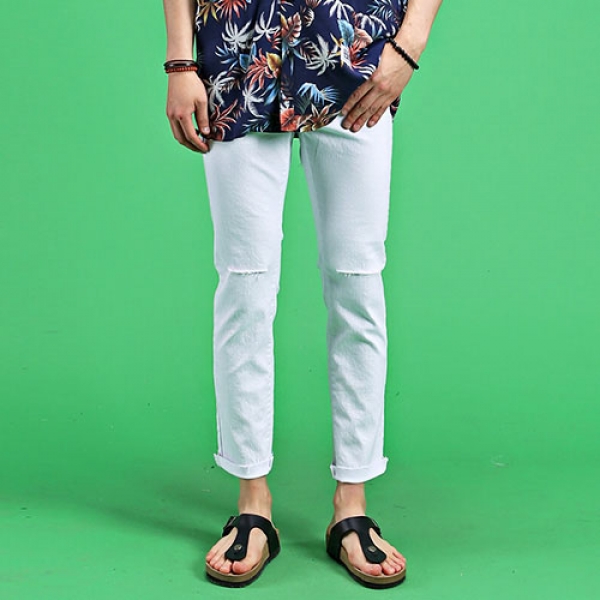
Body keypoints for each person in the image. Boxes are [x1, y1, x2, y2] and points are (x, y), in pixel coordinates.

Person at [162, 0, 443, 588]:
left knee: (357, 286)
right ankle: (252, 504)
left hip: (355, 58)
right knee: (244, 287)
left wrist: (409, 46)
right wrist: (180, 62)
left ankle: (352, 506)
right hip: (237, 59)